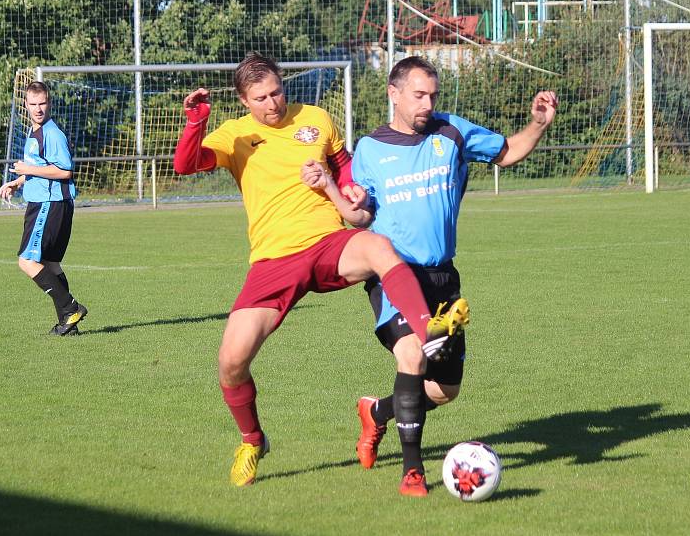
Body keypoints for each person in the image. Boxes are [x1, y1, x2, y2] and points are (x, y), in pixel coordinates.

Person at [173, 52, 447, 487]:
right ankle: (252, 440)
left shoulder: (317, 118)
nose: (273, 103)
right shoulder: (234, 135)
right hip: (272, 261)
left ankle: (427, 329)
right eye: (261, 97)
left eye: (277, 91)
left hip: (326, 243)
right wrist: (196, 122)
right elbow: (186, 165)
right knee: (230, 362)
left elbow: (345, 168)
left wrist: (353, 190)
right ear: (244, 100)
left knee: (378, 247)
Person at [301, 56, 558, 496]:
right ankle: (412, 472)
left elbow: (508, 152)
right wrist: (339, 191)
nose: (427, 103)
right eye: (418, 95)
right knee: (412, 358)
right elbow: (360, 217)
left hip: (443, 279)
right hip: (394, 275)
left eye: (433, 95)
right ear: (394, 93)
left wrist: (537, 124)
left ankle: (378, 412)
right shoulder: (370, 149)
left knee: (443, 389)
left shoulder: (451, 131)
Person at [0, 80, 87, 336]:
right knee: (51, 265)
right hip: (49, 204)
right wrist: (17, 181)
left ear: (50, 104)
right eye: (33, 104)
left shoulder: (52, 134)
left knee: (27, 262)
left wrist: (27, 170)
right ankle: (68, 325)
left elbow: (65, 170)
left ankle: (70, 308)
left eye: (43, 103)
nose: (38, 109)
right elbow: (40, 166)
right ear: (25, 105)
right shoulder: (34, 132)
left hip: (49, 205)